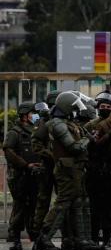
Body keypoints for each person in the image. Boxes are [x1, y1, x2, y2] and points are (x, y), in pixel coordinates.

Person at [33, 91, 100, 250]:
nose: (77, 110)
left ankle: (82, 239)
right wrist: (88, 139)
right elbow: (74, 147)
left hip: (76, 168)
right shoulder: (58, 124)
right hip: (67, 169)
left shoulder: (67, 122)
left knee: (81, 202)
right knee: (62, 204)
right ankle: (44, 237)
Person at [3, 102, 41, 250]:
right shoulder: (15, 132)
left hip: (33, 175)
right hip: (20, 175)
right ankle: (15, 238)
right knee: (20, 207)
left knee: (33, 206)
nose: (34, 116)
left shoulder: (35, 130)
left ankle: (34, 236)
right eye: (32, 113)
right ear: (25, 115)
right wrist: (25, 165)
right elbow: (8, 151)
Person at [85, 91, 111, 247]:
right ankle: (94, 237)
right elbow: (90, 145)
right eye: (102, 106)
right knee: (95, 207)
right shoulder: (92, 125)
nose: (105, 109)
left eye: (108, 106)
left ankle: (108, 238)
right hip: (95, 170)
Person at [31, 91, 60, 237]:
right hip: (48, 166)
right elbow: (36, 145)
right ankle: (37, 236)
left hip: (60, 166)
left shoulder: (62, 120)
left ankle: (67, 236)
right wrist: (52, 156)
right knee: (43, 201)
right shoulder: (44, 122)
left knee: (62, 201)